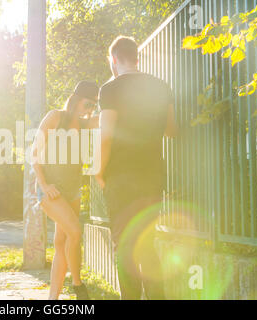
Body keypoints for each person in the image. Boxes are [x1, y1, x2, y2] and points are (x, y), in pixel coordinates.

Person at [96, 36, 177, 300]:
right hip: (152, 176)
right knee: (147, 243)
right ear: (137, 58)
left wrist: (98, 170)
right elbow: (171, 130)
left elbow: (105, 136)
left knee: (124, 246)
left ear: (114, 60)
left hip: (120, 178)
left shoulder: (110, 89)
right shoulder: (161, 86)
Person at [31, 81, 100, 300]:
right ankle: (78, 286)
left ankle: (53, 300)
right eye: (88, 104)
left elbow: (106, 118)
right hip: (51, 190)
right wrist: (44, 185)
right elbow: (34, 153)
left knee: (61, 243)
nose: (90, 110)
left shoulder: (83, 124)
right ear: (76, 99)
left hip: (73, 191)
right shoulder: (55, 117)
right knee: (75, 232)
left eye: (93, 106)